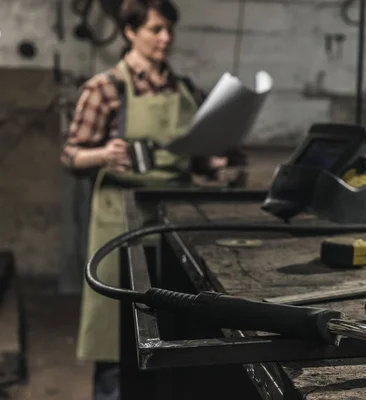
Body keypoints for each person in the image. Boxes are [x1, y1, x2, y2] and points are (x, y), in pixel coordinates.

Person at [61, 1, 244, 398]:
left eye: (170, 30)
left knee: (175, 332)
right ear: (130, 32)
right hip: (120, 224)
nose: (166, 38)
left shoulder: (185, 90)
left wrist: (215, 164)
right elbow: (71, 155)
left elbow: (198, 156)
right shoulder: (104, 89)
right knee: (116, 338)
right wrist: (103, 155)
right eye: (157, 29)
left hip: (174, 221)